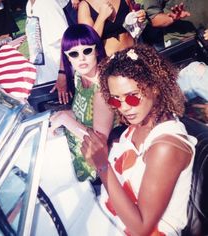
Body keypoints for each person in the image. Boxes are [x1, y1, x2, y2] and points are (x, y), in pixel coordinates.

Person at [81, 44, 197, 235]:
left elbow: (141, 229)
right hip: (106, 218)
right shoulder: (139, 123)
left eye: (132, 97)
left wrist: (102, 167)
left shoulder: (165, 147)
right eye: (115, 100)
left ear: (155, 88)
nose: (124, 107)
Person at [49, 24, 115, 182]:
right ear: (68, 57)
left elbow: (98, 144)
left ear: (97, 50)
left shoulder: (102, 90)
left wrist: (65, 120)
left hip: (89, 165)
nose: (81, 58)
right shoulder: (80, 76)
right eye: (74, 53)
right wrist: (64, 114)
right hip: (70, 147)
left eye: (87, 50)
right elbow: (83, 115)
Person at [77, 0, 146, 56]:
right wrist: (101, 17)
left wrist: (139, 18)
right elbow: (88, 42)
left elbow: (134, 29)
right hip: (109, 61)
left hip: (133, 54)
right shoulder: (84, 6)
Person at [25, 0, 68, 85]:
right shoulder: (29, 5)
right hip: (42, 73)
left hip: (56, 72)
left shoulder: (48, 3)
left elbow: (65, 40)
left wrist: (63, 73)